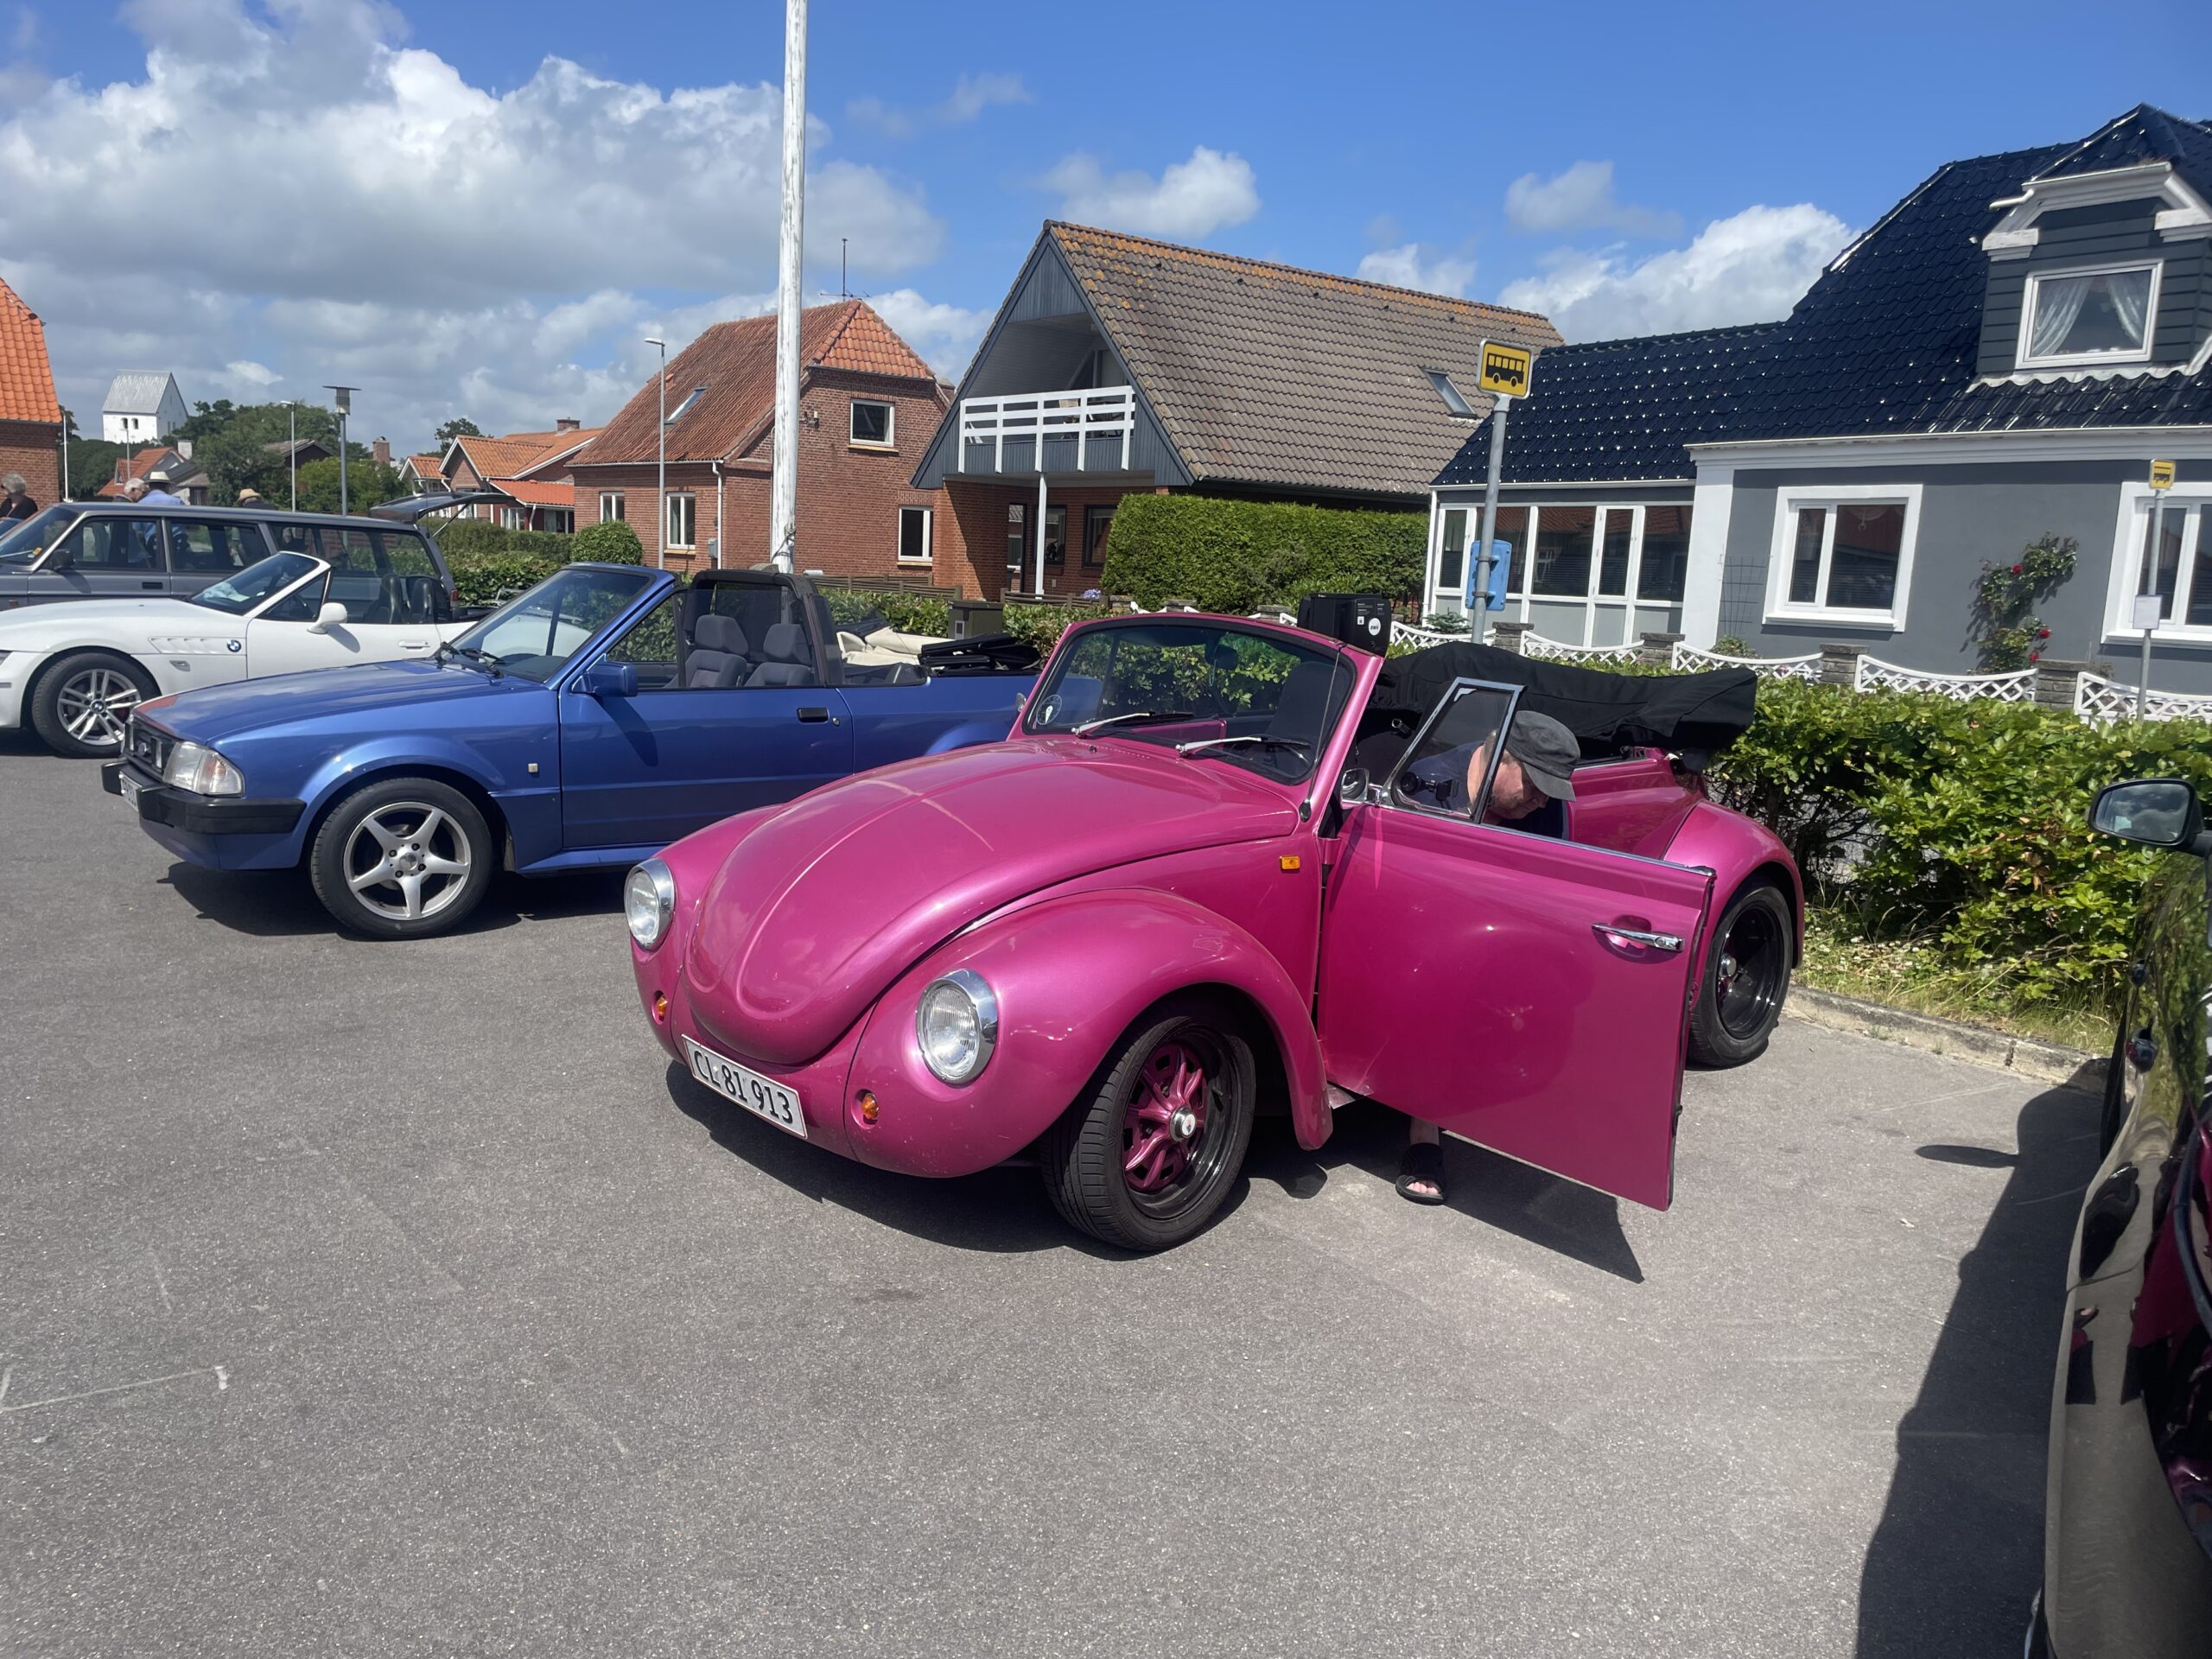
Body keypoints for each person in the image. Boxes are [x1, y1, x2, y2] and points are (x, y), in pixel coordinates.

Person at [1396, 707, 1581, 1206]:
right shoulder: (1424, 783)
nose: (1542, 800)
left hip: (1505, 931)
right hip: (1426, 935)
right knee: (1441, 988)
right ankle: (1424, 1132)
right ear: (1501, 757)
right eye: (1535, 785)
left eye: (1551, 790)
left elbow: (1554, 884)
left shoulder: (1546, 807)